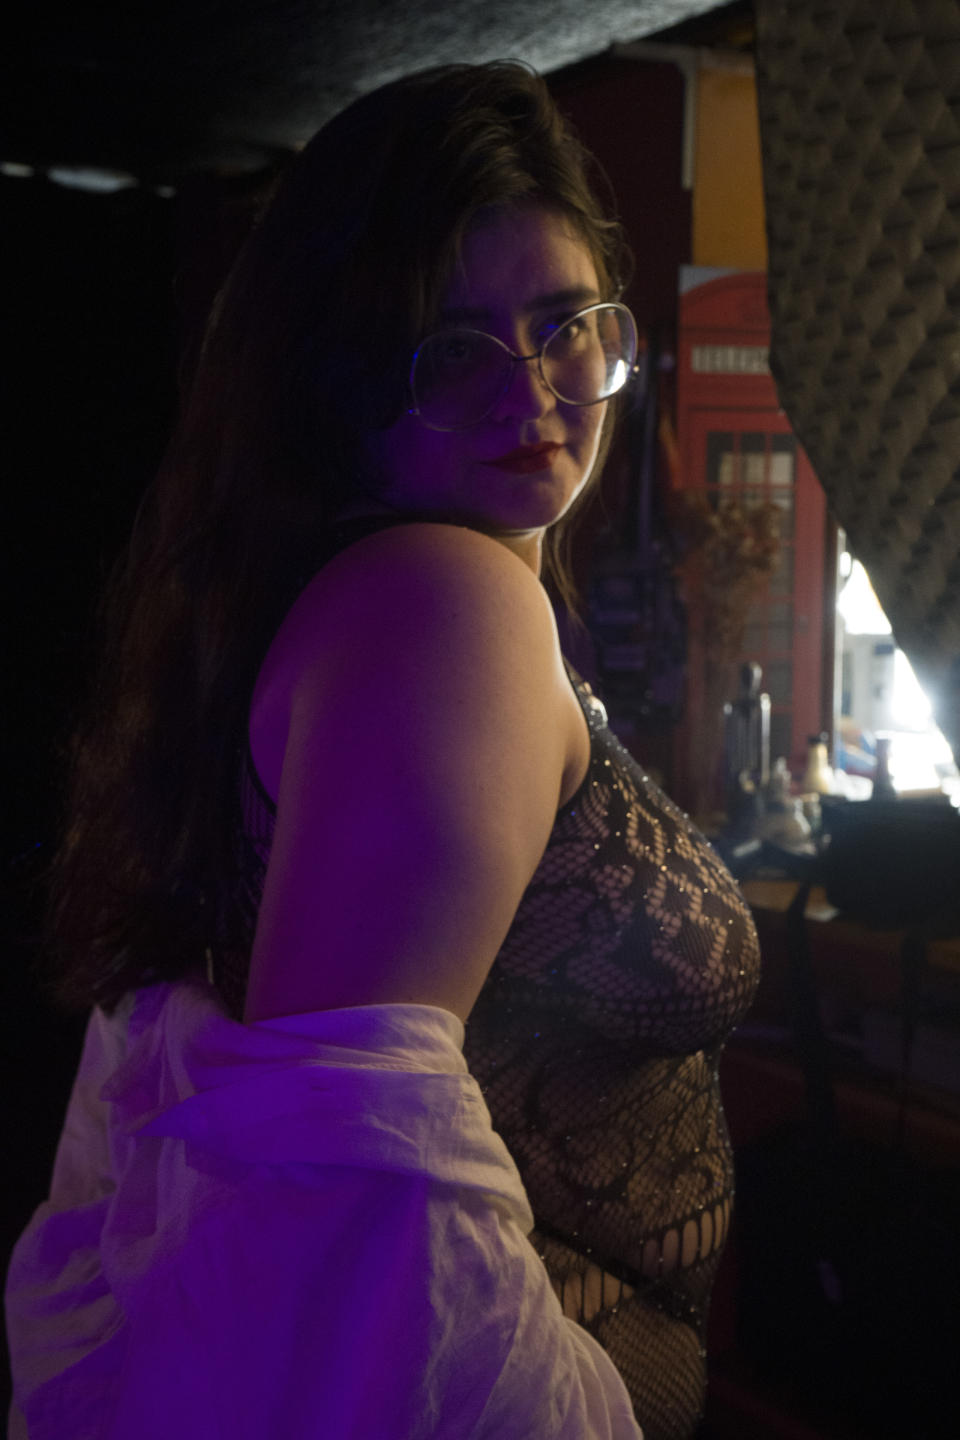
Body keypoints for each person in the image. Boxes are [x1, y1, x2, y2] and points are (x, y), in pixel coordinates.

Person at [5, 62, 759, 1440]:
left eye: (566, 326)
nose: (535, 393)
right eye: (454, 348)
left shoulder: (383, 597)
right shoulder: (443, 603)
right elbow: (355, 1190)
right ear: (337, 384)